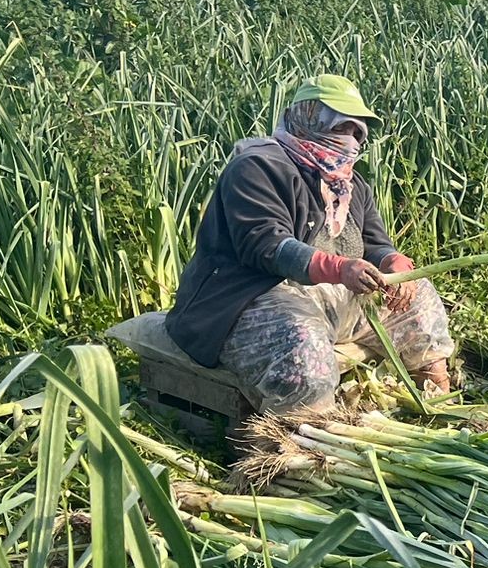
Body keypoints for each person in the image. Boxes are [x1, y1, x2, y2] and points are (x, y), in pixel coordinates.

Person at [166, 75, 454, 418]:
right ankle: (302, 438)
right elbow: (264, 244)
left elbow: (374, 243)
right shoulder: (257, 167)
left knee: (416, 295)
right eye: (340, 127)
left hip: (325, 296)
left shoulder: (349, 184)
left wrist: (395, 264)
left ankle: (437, 398)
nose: (349, 141)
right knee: (303, 345)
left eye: (356, 132)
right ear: (308, 118)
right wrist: (339, 268)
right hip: (247, 298)